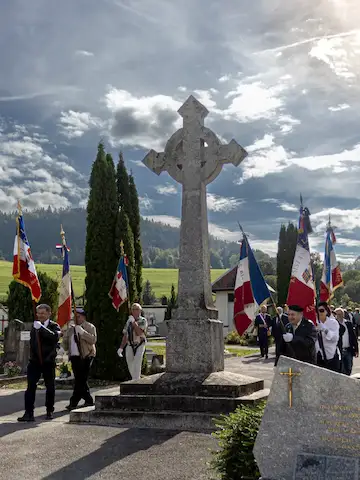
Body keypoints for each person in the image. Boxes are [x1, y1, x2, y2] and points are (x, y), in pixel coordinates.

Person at [17, 304, 61, 422]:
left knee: (50, 387)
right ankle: (28, 413)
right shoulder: (34, 326)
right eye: (38, 313)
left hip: (48, 361)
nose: (40, 315)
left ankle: (49, 410)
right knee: (31, 386)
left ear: (48, 313)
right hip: (35, 361)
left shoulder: (54, 325)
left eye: (43, 313)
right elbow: (33, 343)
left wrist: (41, 328)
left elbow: (54, 337)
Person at [62, 308, 97, 411]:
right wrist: (63, 348)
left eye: (79, 316)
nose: (76, 318)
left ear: (83, 317)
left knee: (80, 380)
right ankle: (89, 400)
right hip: (74, 357)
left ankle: (73, 402)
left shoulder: (89, 327)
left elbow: (93, 340)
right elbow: (66, 341)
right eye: (75, 316)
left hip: (86, 356)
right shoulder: (71, 328)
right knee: (80, 380)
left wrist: (82, 332)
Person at [117, 303, 148, 380]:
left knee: (137, 362)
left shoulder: (143, 320)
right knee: (130, 362)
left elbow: (139, 333)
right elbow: (125, 335)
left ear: (140, 311)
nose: (134, 311)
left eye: (136, 309)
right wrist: (121, 348)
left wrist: (134, 322)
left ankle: (136, 381)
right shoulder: (129, 321)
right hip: (130, 344)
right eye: (133, 309)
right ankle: (134, 379)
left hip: (140, 344)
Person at [315, 302, 340, 372]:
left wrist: (325, 329)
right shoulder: (313, 323)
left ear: (326, 311)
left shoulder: (333, 323)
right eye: (317, 311)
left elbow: (334, 339)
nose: (319, 312)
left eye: (322, 310)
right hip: (318, 357)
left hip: (331, 357)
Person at [335, 307, 358, 376]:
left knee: (349, 367)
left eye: (341, 314)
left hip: (349, 350)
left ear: (344, 315)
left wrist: (356, 349)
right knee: (341, 370)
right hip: (339, 350)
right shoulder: (334, 324)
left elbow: (353, 337)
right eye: (337, 314)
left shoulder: (348, 323)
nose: (339, 316)